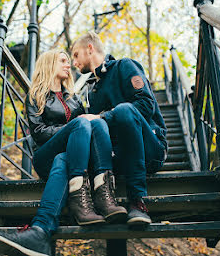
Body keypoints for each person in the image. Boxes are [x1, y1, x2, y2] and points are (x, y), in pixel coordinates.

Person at [0, 49, 126, 256]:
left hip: (67, 160)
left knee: (81, 138)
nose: (68, 64)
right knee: (80, 125)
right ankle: (79, 195)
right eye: (63, 61)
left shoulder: (74, 99)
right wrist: (72, 130)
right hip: (45, 157)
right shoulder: (35, 96)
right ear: (50, 64)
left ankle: (40, 232)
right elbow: (39, 133)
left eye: (69, 61)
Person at [70, 31, 168, 225]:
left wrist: (101, 116)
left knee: (124, 111)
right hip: (120, 156)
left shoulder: (125, 66)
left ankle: (137, 202)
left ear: (90, 49)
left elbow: (146, 105)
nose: (74, 62)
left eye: (75, 55)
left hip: (151, 149)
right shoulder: (93, 90)